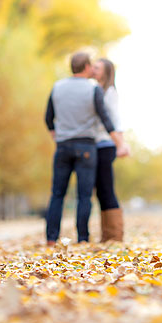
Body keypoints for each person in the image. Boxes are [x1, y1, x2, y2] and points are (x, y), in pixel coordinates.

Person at [44, 51, 127, 245]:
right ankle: (82, 238)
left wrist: (56, 135)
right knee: (84, 195)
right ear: (87, 67)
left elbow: (48, 117)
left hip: (63, 145)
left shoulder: (57, 87)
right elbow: (107, 120)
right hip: (87, 146)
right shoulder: (93, 90)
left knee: (57, 193)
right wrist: (120, 143)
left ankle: (51, 238)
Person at [92, 57, 127, 242]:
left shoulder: (110, 92)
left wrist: (121, 143)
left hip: (105, 145)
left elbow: (116, 119)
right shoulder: (97, 90)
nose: (93, 70)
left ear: (106, 72)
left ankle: (114, 235)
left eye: (97, 68)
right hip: (97, 144)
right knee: (101, 190)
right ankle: (107, 235)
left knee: (106, 189)